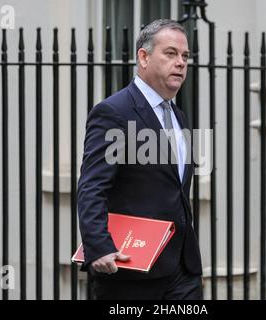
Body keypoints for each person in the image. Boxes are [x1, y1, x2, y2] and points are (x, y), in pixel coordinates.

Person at [77, 19, 203, 300]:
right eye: (170, 53)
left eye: (185, 56)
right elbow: (92, 186)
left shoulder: (180, 117)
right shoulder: (113, 112)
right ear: (143, 57)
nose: (181, 62)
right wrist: (98, 246)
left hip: (183, 270)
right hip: (131, 272)